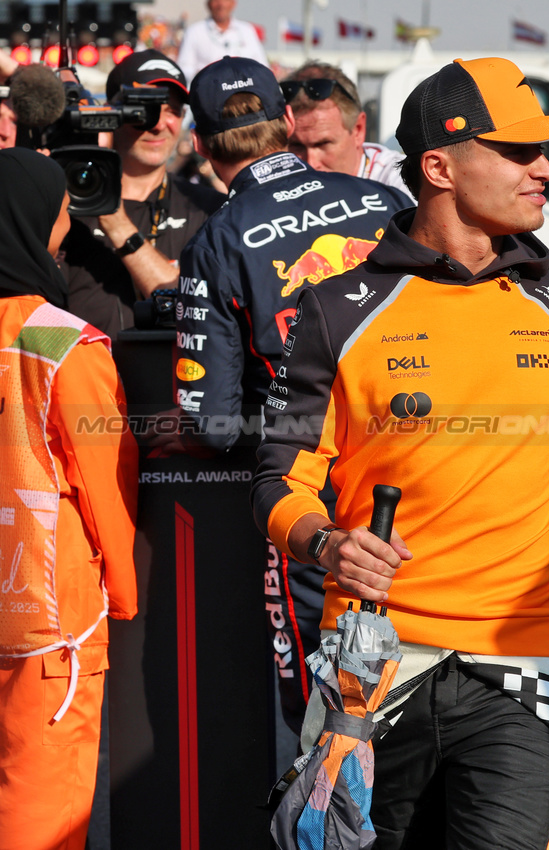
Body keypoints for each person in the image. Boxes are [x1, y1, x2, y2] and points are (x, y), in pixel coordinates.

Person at [252, 56, 549, 849]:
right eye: (519, 151)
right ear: (438, 166)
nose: (543, 169)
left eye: (544, 151)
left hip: (524, 667)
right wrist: (324, 541)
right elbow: (278, 481)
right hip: (372, 667)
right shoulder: (337, 307)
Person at [170, 56, 411, 732]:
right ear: (285, 123)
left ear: (199, 145)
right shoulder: (386, 201)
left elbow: (211, 422)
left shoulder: (217, 240)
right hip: (428, 466)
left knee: (327, 719)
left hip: (313, 499)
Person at [0, 148, 138, 850]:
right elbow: (103, 473)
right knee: (43, 793)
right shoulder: (60, 337)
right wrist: (123, 585)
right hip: (44, 607)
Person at [59, 50, 226, 340]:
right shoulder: (65, 203)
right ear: (109, 114)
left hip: (174, 381)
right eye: (143, 110)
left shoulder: (210, 209)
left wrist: (116, 223)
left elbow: (199, 313)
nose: (158, 124)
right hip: (85, 381)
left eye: (172, 110)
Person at [282, 61, 412, 195]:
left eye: (323, 144)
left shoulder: (401, 186)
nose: (311, 163)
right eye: (296, 145)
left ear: (358, 130)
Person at [175, 0, 268, 82]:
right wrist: (205, 74)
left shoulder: (247, 30)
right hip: (209, 93)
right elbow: (184, 68)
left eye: (225, 0)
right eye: (216, 0)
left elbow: (262, 66)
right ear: (208, 4)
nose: (221, 4)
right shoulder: (194, 31)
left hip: (243, 95)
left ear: (233, 3)